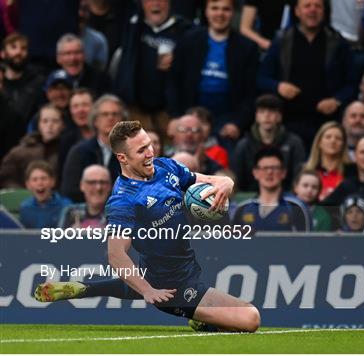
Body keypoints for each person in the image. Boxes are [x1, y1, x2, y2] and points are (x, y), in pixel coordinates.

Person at [35, 121, 260, 332]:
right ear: (123, 157)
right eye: (141, 150)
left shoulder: (165, 167)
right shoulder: (124, 200)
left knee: (150, 275)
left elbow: (210, 180)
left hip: (178, 268)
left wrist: (227, 183)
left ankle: (83, 288)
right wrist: (147, 291)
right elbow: (116, 255)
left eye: (149, 145)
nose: (150, 152)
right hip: (173, 289)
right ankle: (201, 320)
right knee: (251, 319)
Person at [258, 0, 355, 147]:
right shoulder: (282, 41)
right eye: (307, 6)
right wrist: (278, 86)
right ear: (297, 11)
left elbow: (352, 83)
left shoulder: (338, 43)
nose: (312, 10)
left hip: (326, 123)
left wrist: (337, 100)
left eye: (317, 6)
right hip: (287, 122)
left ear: (324, 11)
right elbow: (261, 78)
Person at [175, 0, 258, 140]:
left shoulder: (247, 47)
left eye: (225, 9)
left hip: (228, 120)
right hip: (190, 115)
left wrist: (238, 123)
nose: (220, 14)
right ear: (206, 11)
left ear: (233, 12)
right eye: (214, 8)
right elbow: (174, 81)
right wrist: (176, 117)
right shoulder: (188, 40)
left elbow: (250, 94)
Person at [114, 0, 192, 138]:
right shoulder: (133, 28)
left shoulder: (185, 30)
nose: (156, 4)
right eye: (150, 0)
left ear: (169, 3)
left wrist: (177, 59)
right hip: (137, 109)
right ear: (142, 4)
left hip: (170, 112)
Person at [231, 94, 305, 191]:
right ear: (256, 116)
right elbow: (237, 181)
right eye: (262, 112)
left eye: (271, 111)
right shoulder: (243, 145)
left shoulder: (294, 143)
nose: (267, 116)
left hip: (286, 198)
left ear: (279, 117)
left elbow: (298, 178)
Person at [61, 94, 125, 202]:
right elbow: (69, 189)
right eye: (105, 114)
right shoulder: (79, 151)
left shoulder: (131, 153)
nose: (110, 118)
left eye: (115, 114)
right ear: (95, 121)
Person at [233, 146, 310, 232]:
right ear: (255, 173)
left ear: (283, 172)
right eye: (265, 168)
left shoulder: (296, 207)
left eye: (274, 168)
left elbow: (307, 243)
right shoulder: (242, 209)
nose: (269, 172)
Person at [0, 104, 64, 188]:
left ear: (63, 125)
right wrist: (24, 192)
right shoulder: (20, 151)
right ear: (39, 125)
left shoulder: (67, 150)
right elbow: (5, 178)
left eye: (55, 121)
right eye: (45, 121)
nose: (49, 125)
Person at [1, 33, 45, 128]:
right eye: (13, 47)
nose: (19, 52)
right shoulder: (1, 82)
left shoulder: (38, 82)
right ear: (3, 54)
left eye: (23, 48)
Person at [303, 121, 350, 201]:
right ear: (319, 142)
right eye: (328, 137)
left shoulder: (351, 172)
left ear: (343, 144)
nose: (333, 141)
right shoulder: (305, 170)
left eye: (338, 138)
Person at [20, 160, 72, 229]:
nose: (40, 183)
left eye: (43, 178)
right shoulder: (25, 208)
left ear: (53, 181)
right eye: (35, 179)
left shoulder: (66, 206)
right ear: (28, 184)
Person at [55, 33, 111, 98]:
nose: (73, 58)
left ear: (85, 55)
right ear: (58, 58)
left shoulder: (102, 80)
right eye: (67, 53)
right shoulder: (49, 82)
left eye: (77, 52)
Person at [58, 164, 111, 229]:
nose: (98, 188)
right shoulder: (71, 212)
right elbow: (60, 238)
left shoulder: (120, 214)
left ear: (110, 186)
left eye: (103, 182)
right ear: (82, 185)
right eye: (92, 182)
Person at [57, 88, 95, 174]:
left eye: (85, 105)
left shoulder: (108, 137)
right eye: (75, 106)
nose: (80, 110)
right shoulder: (66, 141)